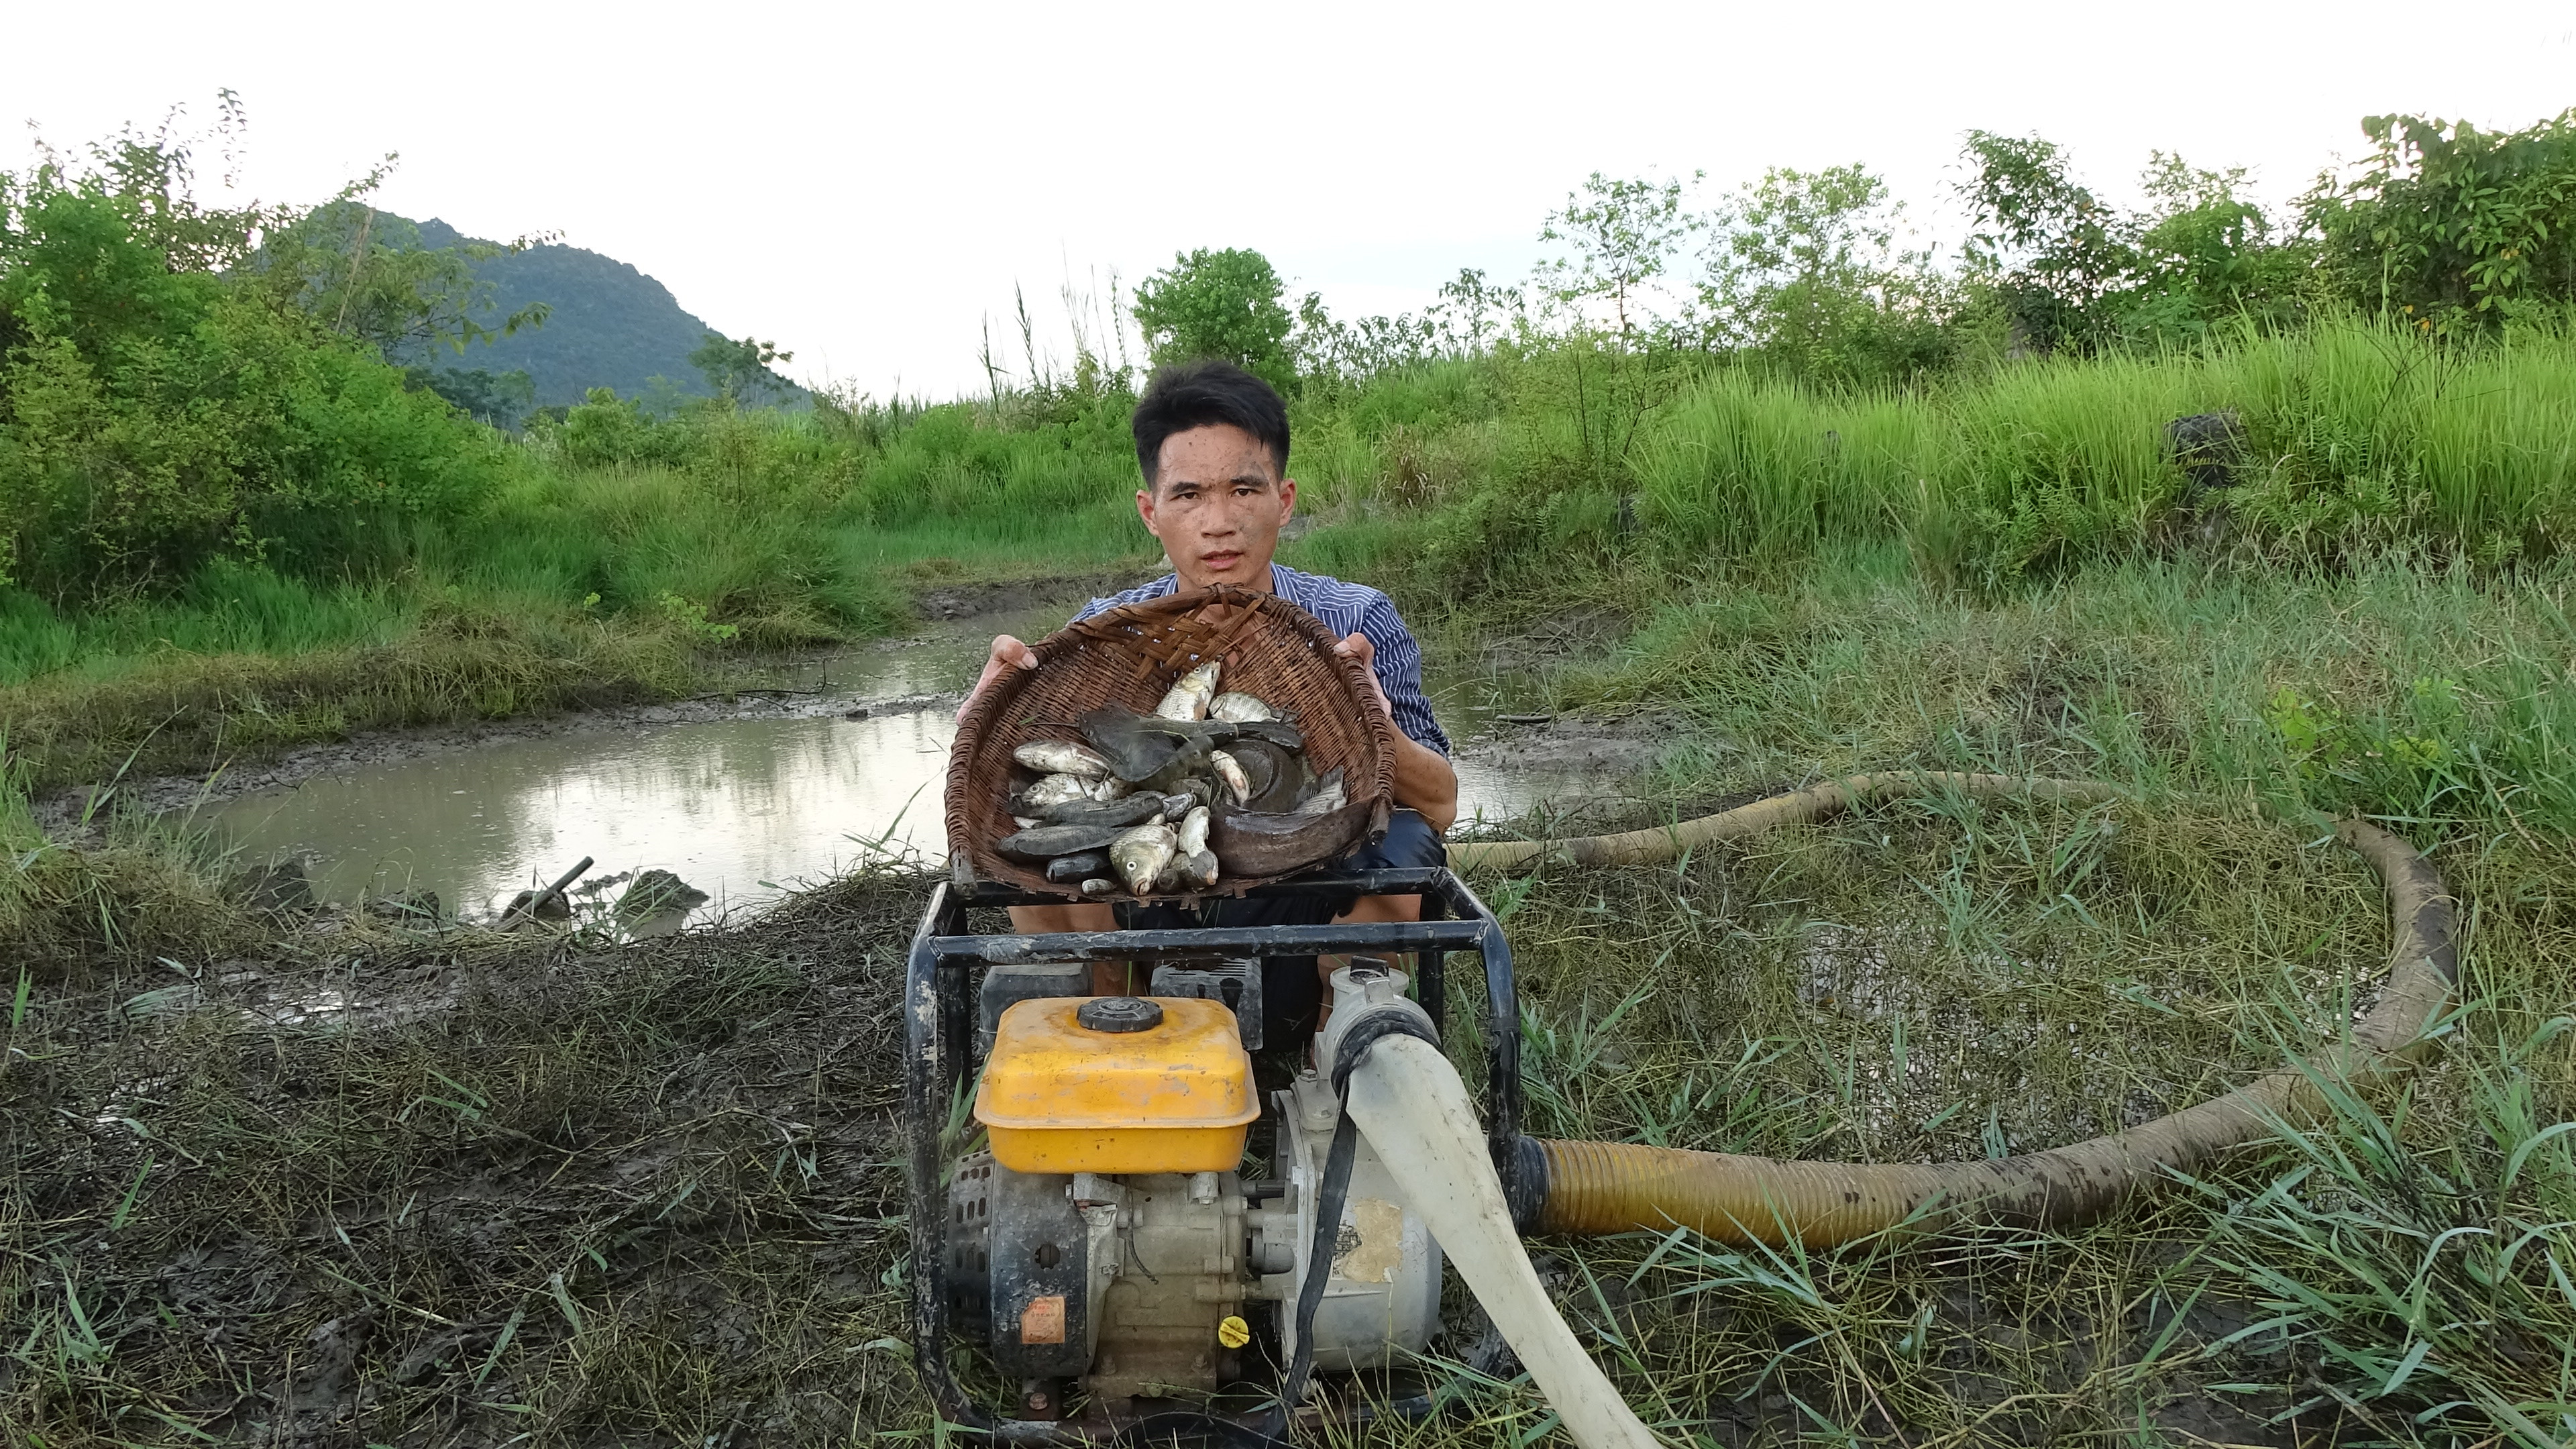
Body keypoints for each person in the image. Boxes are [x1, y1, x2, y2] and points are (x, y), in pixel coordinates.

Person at [963, 359, 1459, 1043]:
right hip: (1159, 896)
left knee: (1403, 846)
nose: (1219, 522)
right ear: (1151, 512)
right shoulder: (1106, 632)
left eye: (1243, 490)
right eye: (1189, 495)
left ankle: (1336, 1048)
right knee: (1043, 847)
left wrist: (1378, 728)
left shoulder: (1359, 620)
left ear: (1283, 500)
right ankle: (1118, 1028)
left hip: (1310, 893)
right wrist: (982, 729)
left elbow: (1441, 805)